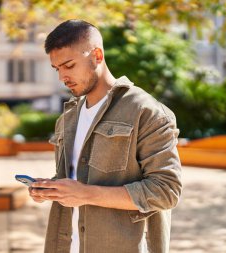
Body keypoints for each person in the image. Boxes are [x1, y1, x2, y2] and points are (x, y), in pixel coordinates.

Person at [29, 19, 182, 253]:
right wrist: (51, 189)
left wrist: (86, 194)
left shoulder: (146, 111)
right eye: (57, 68)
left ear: (97, 56)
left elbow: (166, 191)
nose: (62, 77)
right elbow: (77, 178)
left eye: (69, 65)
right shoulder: (68, 117)